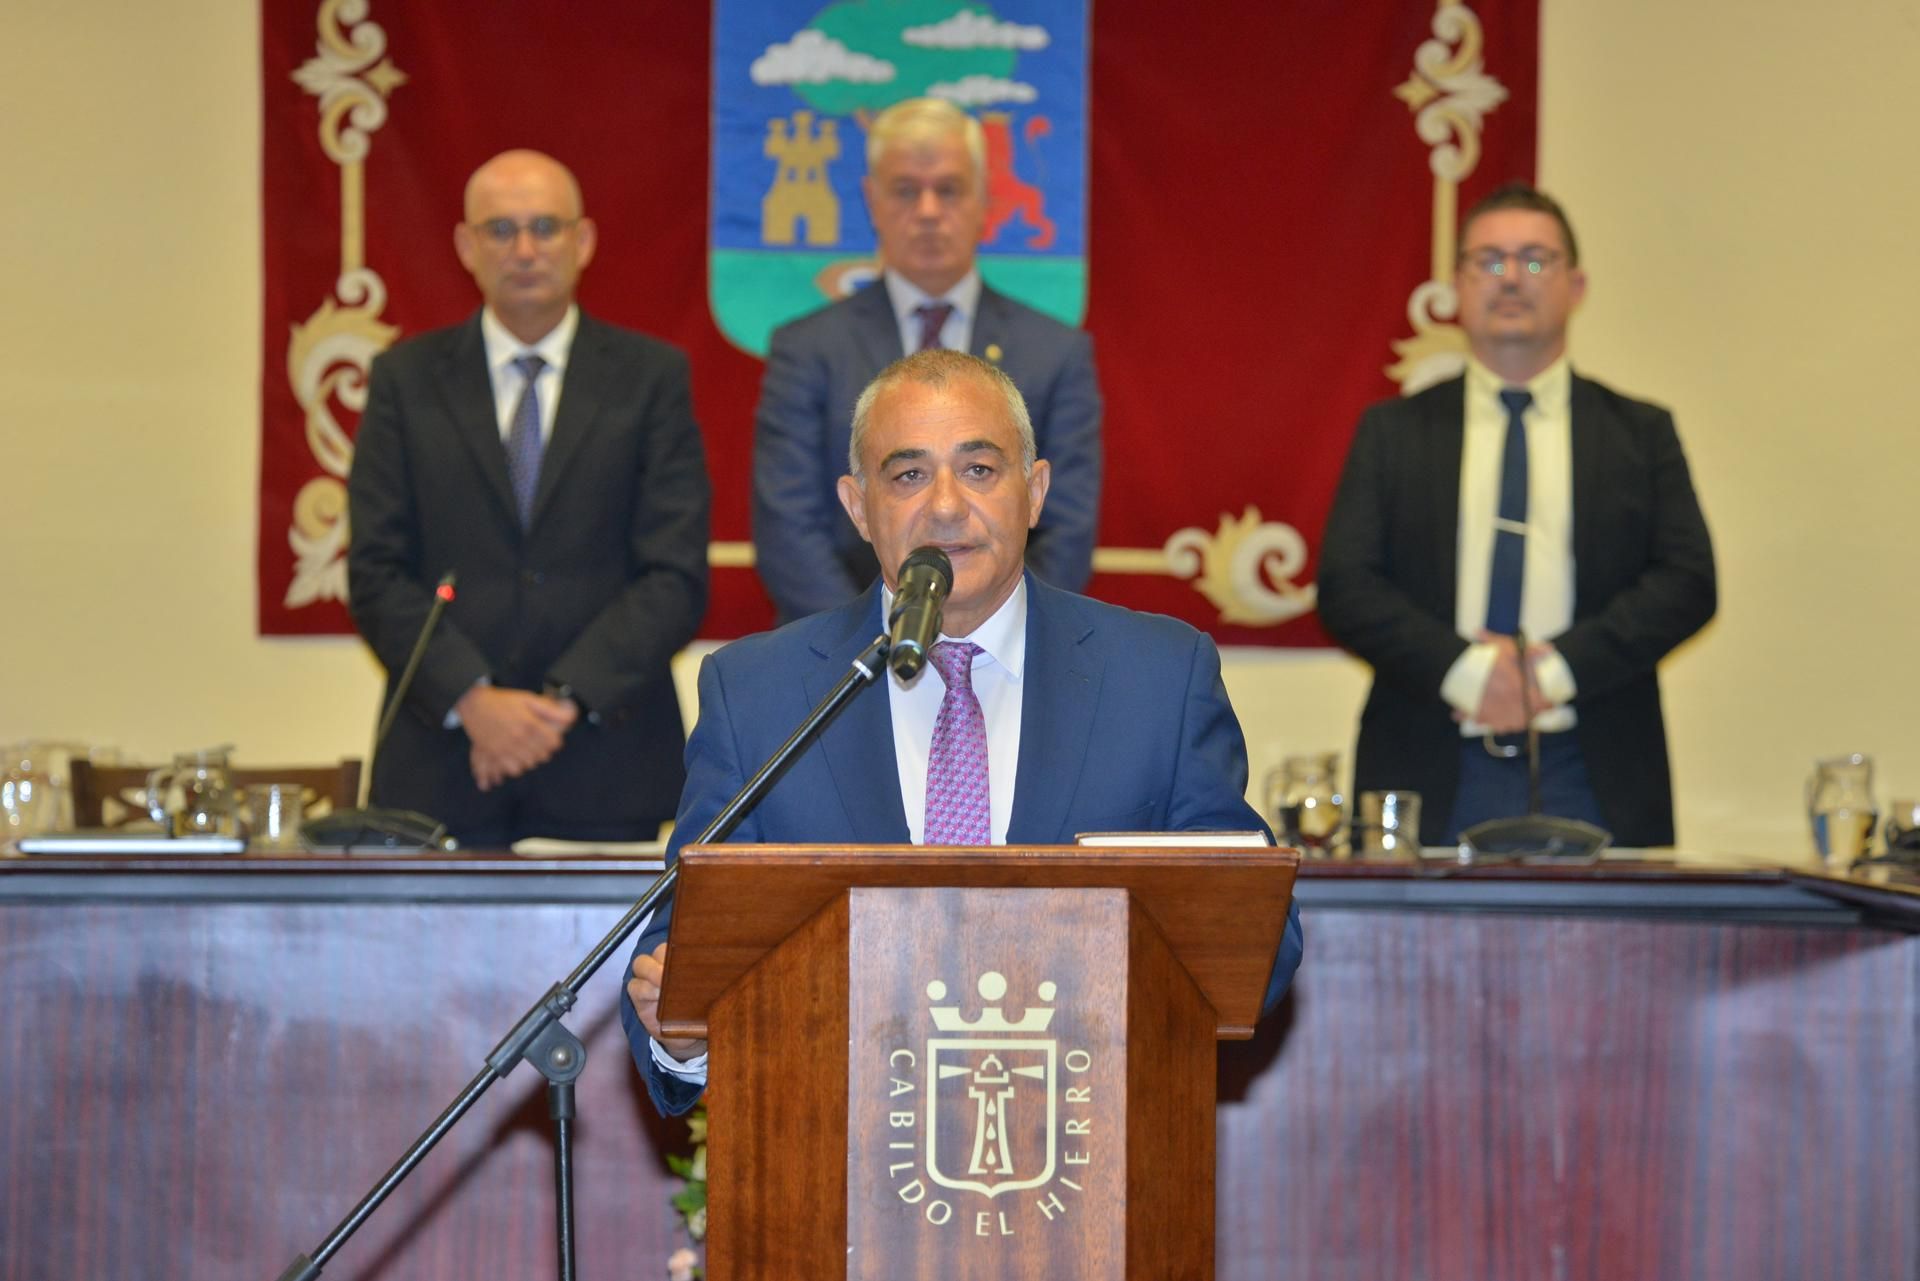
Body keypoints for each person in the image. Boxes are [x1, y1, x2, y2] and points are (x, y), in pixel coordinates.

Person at [623, 349, 1303, 1117]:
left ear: (1034, 491)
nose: (946, 506)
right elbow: (677, 952)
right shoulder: (759, 693)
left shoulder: (1159, 677)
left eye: (979, 469)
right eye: (908, 474)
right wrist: (682, 1032)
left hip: (1090, 1132)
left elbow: (1256, 933)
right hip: (836, 1148)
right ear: (857, 506)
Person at [1317, 183, 1715, 847]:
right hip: (1428, 758)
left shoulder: (1640, 433)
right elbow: (1346, 586)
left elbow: (1688, 581)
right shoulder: (1392, 432)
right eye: (1489, 260)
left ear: (1576, 286)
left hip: (1594, 761)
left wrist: (1548, 676)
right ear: (1457, 287)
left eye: (1534, 259)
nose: (1510, 278)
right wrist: (1472, 674)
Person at [347, 150, 710, 847]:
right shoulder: (405, 380)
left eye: (545, 227)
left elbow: (674, 573)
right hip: (442, 762)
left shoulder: (651, 378)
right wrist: (473, 701)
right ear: (465, 246)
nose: (524, 250)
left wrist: (559, 703)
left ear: (583, 241)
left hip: (607, 761)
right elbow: (375, 572)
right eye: (500, 230)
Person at [751, 96, 1103, 624]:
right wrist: (880, 638)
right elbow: (788, 527)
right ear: (872, 200)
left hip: (1013, 650)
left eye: (949, 189)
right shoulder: (808, 349)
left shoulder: (1055, 352)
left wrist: (991, 637)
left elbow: (1065, 529)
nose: (929, 211)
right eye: (906, 191)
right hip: (848, 649)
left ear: (985, 198)